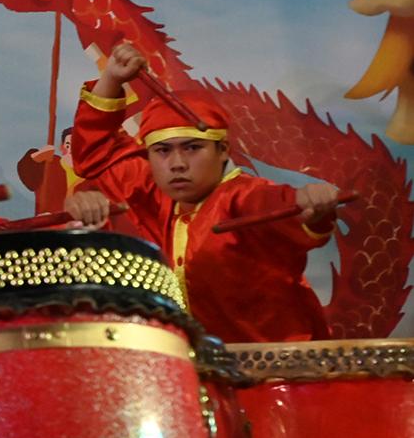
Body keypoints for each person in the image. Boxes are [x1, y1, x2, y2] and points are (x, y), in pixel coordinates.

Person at [68, 41, 340, 342]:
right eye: (162, 151)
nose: (177, 163)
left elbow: (283, 207)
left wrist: (311, 205)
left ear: (223, 150)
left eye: (192, 148)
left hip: (274, 364)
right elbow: (96, 154)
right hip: (197, 361)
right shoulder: (154, 193)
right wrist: (111, 79)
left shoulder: (244, 198)